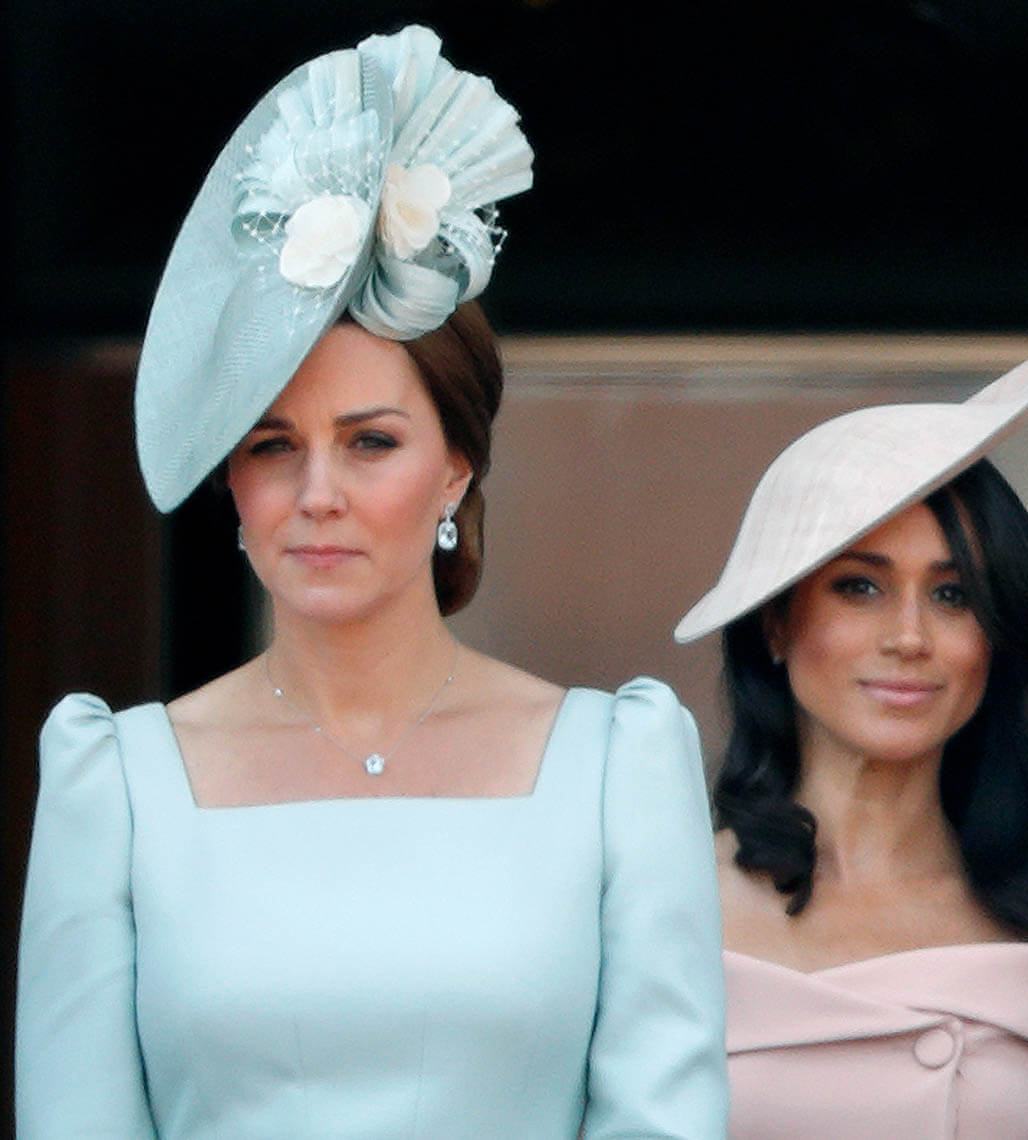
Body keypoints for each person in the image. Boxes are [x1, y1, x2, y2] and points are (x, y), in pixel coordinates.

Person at [16, 25, 727, 1139]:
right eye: (271, 446)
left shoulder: (614, 768)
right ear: (232, 483)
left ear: (456, 467)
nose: (317, 494)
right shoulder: (115, 786)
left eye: (370, 442)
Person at [675, 316, 1028, 1139]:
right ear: (775, 623)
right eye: (859, 587)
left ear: (1000, 635)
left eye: (953, 595)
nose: (909, 637)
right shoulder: (657, 907)